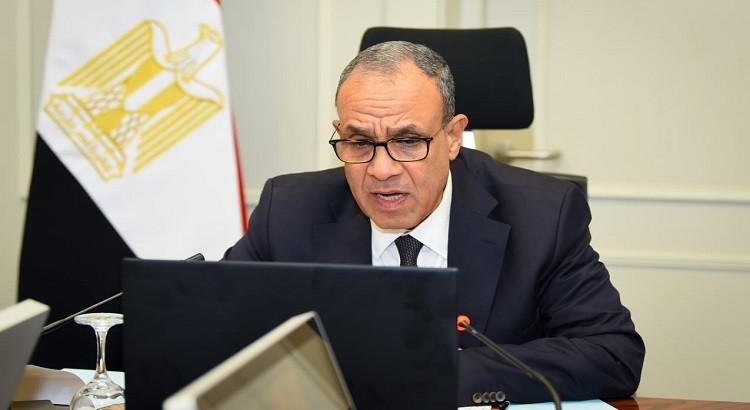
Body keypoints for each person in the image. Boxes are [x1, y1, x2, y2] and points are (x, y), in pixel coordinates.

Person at [225, 41, 645, 405]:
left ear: (453, 137)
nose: (382, 170)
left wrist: (437, 373)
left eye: (409, 141)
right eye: (360, 142)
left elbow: (612, 353)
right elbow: (218, 334)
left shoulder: (542, 214)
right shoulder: (289, 210)